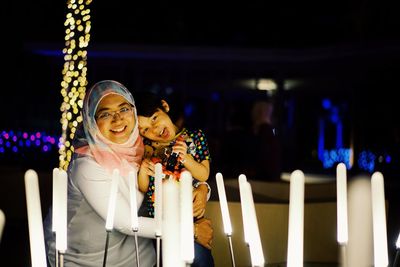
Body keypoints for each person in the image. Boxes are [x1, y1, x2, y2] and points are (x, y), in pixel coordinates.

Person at [43, 80, 212, 267]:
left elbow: (178, 173)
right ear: (91, 121)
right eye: (105, 114)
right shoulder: (87, 165)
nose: (117, 119)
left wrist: (203, 189)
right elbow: (124, 222)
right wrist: (191, 230)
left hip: (141, 255)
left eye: (124, 109)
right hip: (87, 260)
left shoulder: (144, 145)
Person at [134, 91, 215, 267]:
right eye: (145, 129)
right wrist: (142, 171)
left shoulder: (195, 137)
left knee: (200, 258)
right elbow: (143, 188)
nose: (154, 129)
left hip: (189, 215)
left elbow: (204, 175)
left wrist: (186, 159)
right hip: (159, 220)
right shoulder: (147, 148)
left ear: (165, 106)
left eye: (154, 118)